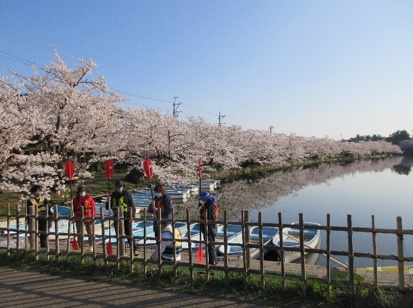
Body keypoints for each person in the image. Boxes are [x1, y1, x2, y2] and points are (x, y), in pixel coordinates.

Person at [108, 180, 139, 255]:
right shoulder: (112, 195)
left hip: (126, 216)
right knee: (118, 234)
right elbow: (108, 207)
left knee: (129, 233)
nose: (119, 188)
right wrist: (108, 201)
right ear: (115, 187)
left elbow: (132, 206)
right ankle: (122, 250)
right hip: (117, 217)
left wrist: (132, 216)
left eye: (121, 186)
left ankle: (134, 249)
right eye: (118, 186)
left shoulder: (127, 194)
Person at [72, 184, 96, 251]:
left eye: (83, 191)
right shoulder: (75, 200)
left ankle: (91, 245)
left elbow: (93, 207)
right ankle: (80, 246)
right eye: (81, 191)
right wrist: (73, 217)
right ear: (78, 192)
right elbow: (73, 209)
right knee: (79, 232)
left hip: (88, 217)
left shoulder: (89, 198)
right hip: (79, 218)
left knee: (90, 232)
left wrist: (94, 216)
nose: (82, 192)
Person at [198, 191, 219, 265]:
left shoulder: (211, 206)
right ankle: (212, 261)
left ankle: (213, 261)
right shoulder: (207, 205)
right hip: (207, 228)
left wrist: (209, 231)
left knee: (211, 245)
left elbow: (211, 219)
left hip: (210, 228)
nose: (203, 201)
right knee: (209, 245)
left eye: (203, 200)